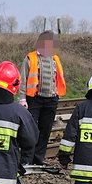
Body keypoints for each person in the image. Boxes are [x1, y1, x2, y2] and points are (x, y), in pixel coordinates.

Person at [18, 30, 66, 165]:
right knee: (30, 131)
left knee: (45, 130)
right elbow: (23, 79)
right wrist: (22, 98)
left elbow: (57, 78)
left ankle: (38, 159)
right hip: (34, 99)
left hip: (51, 99)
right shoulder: (30, 58)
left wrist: (57, 94)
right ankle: (26, 159)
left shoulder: (55, 59)